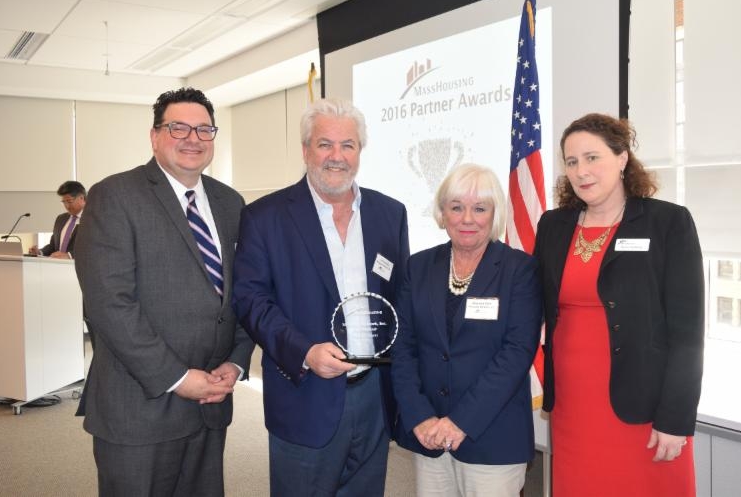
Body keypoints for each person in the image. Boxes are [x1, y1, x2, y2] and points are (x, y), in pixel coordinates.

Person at [73, 87, 254, 496]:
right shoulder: (114, 195)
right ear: (155, 136)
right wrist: (175, 377)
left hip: (210, 401)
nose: (193, 138)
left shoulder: (230, 202)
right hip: (140, 407)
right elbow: (108, 304)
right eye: (178, 127)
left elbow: (244, 291)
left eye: (204, 129)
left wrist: (237, 360)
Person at [233, 97, 409, 496]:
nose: (337, 156)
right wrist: (304, 351)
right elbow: (251, 300)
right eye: (325, 144)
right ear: (305, 150)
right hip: (305, 393)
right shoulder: (265, 217)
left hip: (373, 395)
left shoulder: (389, 213)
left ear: (359, 151)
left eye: (348, 145)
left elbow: (400, 297)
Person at [533, 113, 704, 496]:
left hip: (644, 406)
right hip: (574, 408)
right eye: (572, 162)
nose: (581, 171)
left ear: (622, 158)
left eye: (592, 158)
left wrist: (675, 418)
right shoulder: (554, 226)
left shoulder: (667, 223)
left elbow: (688, 333)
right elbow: (533, 304)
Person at [391, 163, 543, 497]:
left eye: (479, 208)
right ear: (442, 213)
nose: (467, 219)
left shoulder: (520, 270)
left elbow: (516, 354)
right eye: (456, 207)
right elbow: (403, 348)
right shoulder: (418, 266)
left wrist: (460, 422)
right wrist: (419, 417)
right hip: (428, 433)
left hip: (492, 435)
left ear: (494, 213)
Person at [29, 180, 86, 258]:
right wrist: (40, 252)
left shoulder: (92, 219)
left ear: (81, 198)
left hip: (79, 268)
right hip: (57, 267)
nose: (67, 206)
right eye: (64, 202)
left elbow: (94, 247)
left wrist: (69, 256)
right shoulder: (61, 219)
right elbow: (53, 246)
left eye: (69, 201)